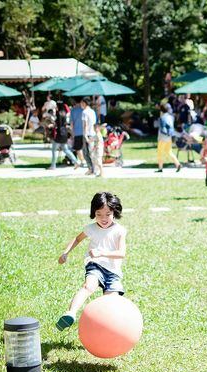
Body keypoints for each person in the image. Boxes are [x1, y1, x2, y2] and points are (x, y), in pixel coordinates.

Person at [56, 191, 127, 330]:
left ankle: (105, 329)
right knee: (88, 286)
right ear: (93, 212)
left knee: (109, 303)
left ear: (115, 212)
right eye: (99, 214)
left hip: (113, 272)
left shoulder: (120, 230)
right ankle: (70, 313)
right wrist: (66, 253)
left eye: (108, 214)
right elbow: (77, 239)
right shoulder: (91, 228)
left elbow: (121, 253)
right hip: (95, 265)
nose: (103, 218)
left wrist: (102, 252)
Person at [49, 101, 79, 170]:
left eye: (56, 106)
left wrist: (52, 124)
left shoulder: (58, 113)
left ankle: (53, 166)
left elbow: (58, 124)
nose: (56, 107)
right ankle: (76, 161)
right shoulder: (64, 113)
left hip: (59, 134)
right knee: (66, 150)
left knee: (54, 150)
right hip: (64, 133)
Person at [156, 104, 181, 173]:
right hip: (169, 137)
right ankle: (177, 164)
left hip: (162, 137)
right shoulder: (170, 117)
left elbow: (162, 128)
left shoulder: (162, 117)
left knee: (160, 152)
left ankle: (160, 168)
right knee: (169, 151)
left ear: (161, 110)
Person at [80, 98, 97, 175]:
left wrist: (85, 135)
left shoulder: (84, 112)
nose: (80, 104)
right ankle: (95, 169)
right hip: (93, 133)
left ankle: (91, 169)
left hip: (88, 134)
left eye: (81, 103)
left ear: (84, 103)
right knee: (92, 152)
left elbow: (85, 125)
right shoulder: (93, 111)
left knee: (86, 153)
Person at [70, 98, 85, 165]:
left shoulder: (73, 111)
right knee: (85, 147)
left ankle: (82, 161)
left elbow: (72, 124)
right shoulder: (84, 110)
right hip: (85, 132)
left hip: (77, 132)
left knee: (78, 148)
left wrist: (72, 133)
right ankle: (85, 160)